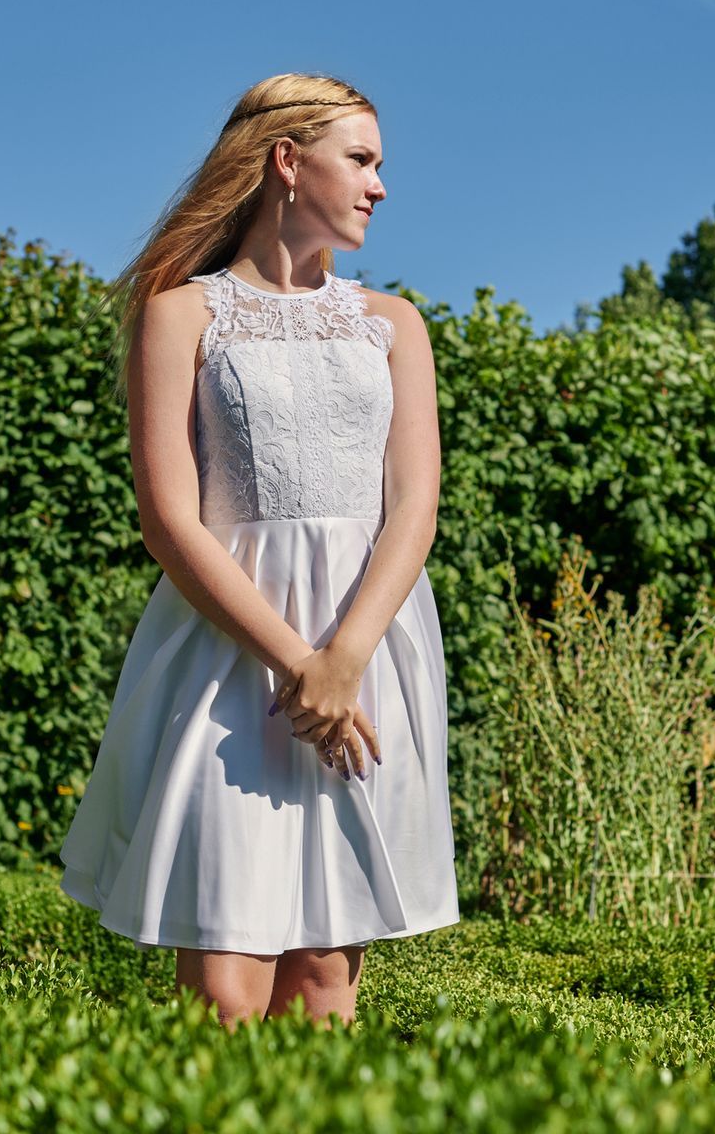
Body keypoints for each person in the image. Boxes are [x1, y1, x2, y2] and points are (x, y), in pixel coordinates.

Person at [59, 73, 459, 1029]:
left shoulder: (393, 325)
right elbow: (169, 520)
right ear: (288, 161)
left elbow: (415, 507)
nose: (380, 185)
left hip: (367, 654)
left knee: (322, 979)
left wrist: (344, 659)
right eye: (360, 160)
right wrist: (296, 662)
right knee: (224, 988)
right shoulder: (179, 315)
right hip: (227, 657)